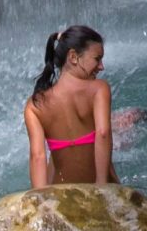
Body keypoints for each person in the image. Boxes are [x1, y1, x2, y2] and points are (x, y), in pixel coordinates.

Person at [24, 25, 120, 188]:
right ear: (73, 57)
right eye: (97, 59)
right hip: (96, 187)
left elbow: (38, 156)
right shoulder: (99, 89)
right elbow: (103, 134)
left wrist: (41, 199)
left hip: (61, 193)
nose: (101, 66)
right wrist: (102, 185)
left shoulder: (35, 106)